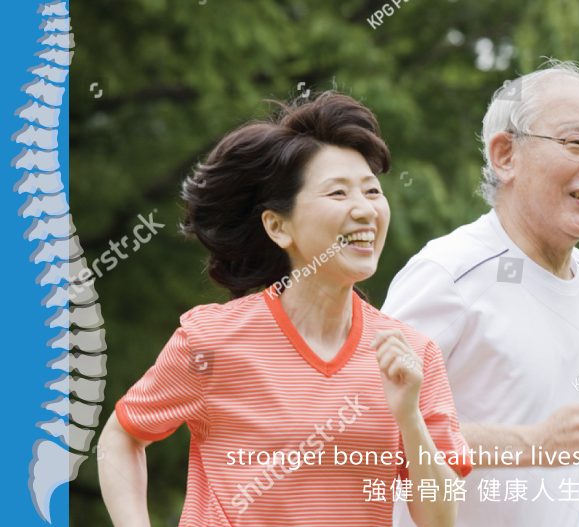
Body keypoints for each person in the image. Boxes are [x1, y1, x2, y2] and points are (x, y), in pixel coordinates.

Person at [97, 91, 470, 527]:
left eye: (373, 191)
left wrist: (408, 416)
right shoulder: (213, 340)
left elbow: (440, 518)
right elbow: (123, 435)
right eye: (338, 192)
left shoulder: (412, 355)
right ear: (278, 226)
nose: (365, 210)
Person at [384, 61, 579, 527]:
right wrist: (537, 441)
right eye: (576, 144)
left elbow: (548, 435)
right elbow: (370, 427)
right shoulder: (449, 273)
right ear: (505, 156)